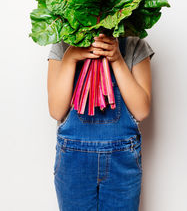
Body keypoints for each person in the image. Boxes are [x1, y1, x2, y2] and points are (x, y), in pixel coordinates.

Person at [47, 33, 155, 211]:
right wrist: (70, 58)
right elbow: (56, 111)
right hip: (73, 165)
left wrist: (118, 60)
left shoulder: (134, 46)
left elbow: (141, 111)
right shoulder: (62, 47)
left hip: (122, 164)